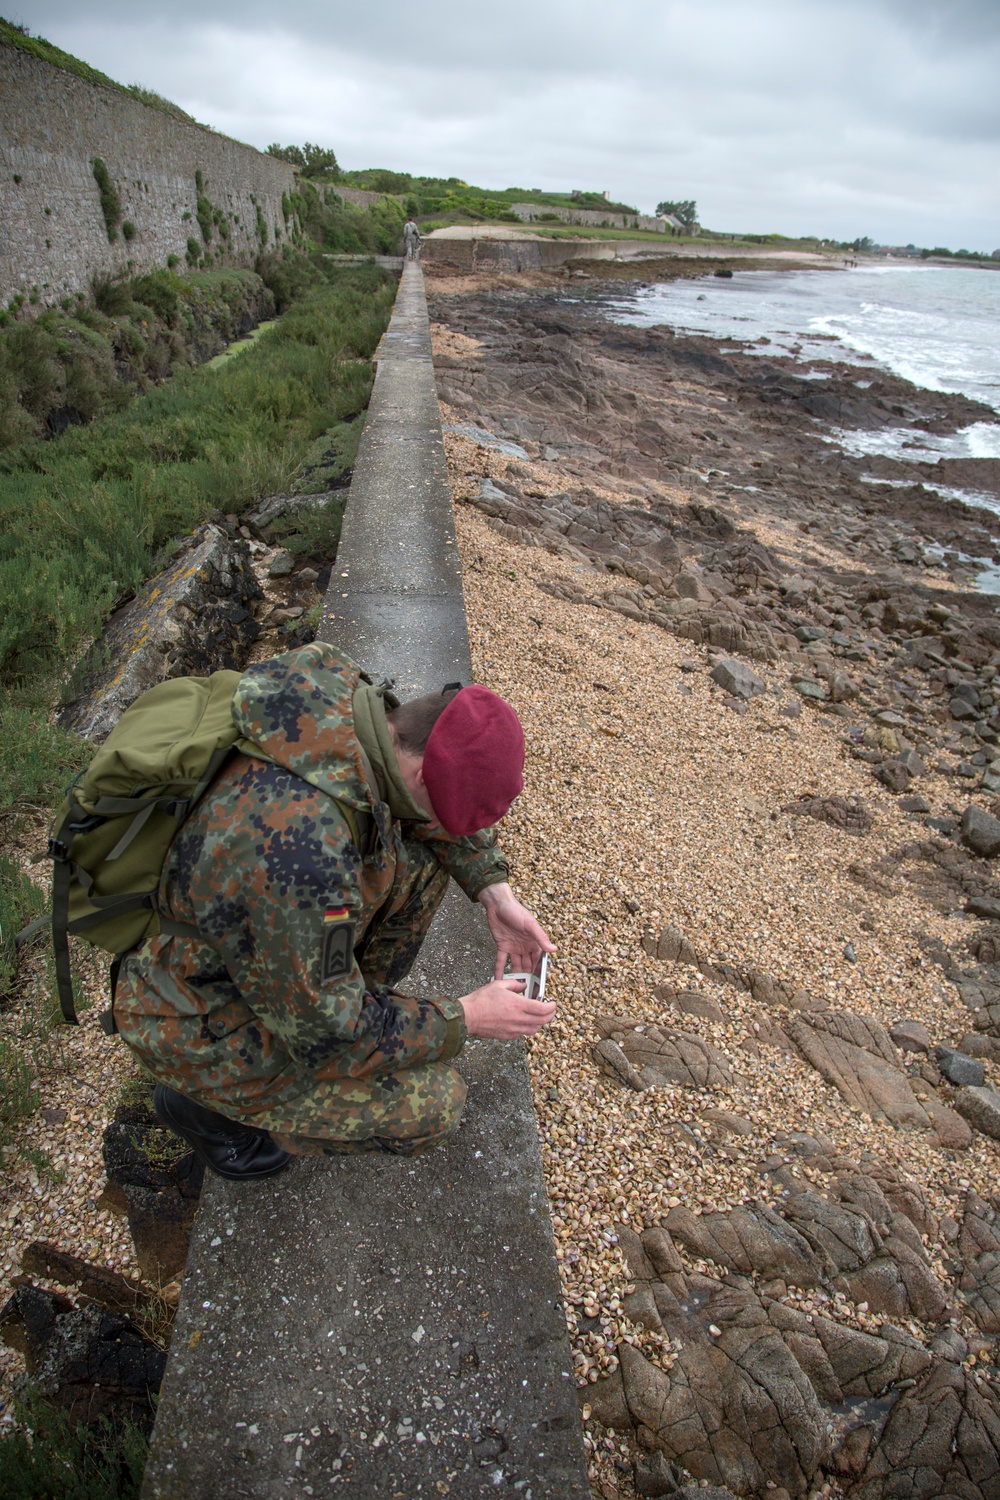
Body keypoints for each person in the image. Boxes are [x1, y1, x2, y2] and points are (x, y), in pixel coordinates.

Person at [113, 642, 555, 1181]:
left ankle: (340, 995)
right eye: (440, 807)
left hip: (257, 949)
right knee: (433, 1106)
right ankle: (204, 1109)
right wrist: (465, 1017)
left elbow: (433, 814)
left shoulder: (350, 702)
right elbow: (330, 1035)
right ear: (421, 774)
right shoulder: (303, 853)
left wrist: (496, 894)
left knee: (421, 860)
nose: (444, 824)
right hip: (191, 1011)